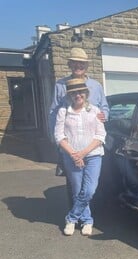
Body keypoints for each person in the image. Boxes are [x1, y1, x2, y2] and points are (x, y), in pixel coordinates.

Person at [48, 47, 109, 208]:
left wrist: (104, 115)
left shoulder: (95, 86)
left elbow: (105, 107)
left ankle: (79, 216)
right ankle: (78, 218)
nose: (78, 66)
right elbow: (53, 112)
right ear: (69, 64)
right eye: (75, 63)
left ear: (86, 65)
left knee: (90, 183)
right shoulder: (60, 85)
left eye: (81, 63)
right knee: (74, 183)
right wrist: (56, 139)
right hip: (70, 143)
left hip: (91, 142)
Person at [54, 78, 106, 236]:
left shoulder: (95, 111)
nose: (78, 95)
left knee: (89, 190)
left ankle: (71, 218)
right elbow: (58, 136)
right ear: (70, 95)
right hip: (71, 157)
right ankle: (87, 220)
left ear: (86, 93)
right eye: (74, 92)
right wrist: (74, 154)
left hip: (93, 156)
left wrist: (82, 153)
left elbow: (101, 135)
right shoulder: (63, 112)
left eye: (81, 92)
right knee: (77, 191)